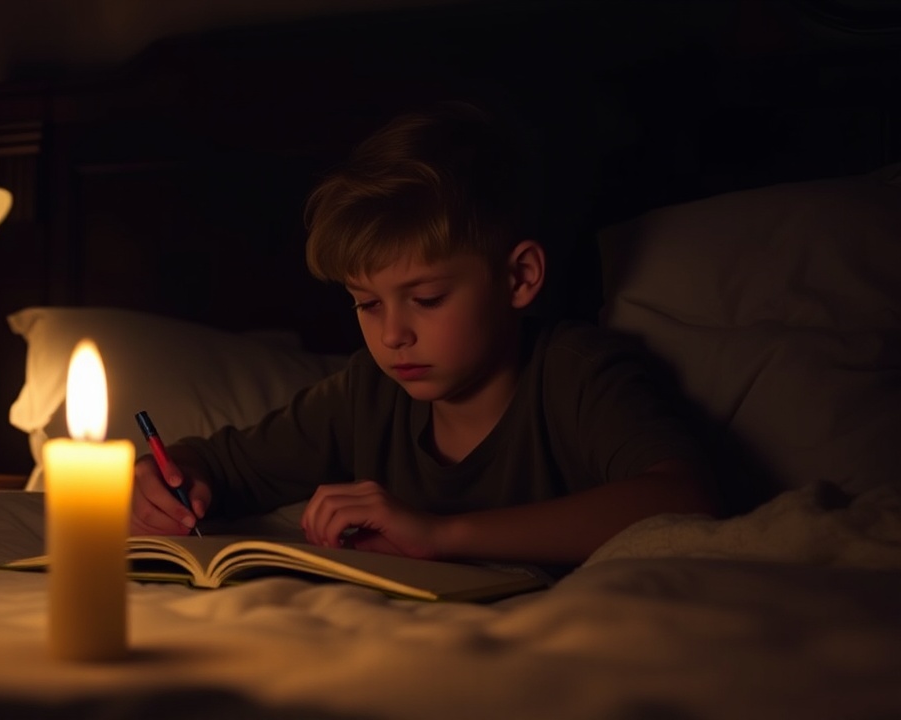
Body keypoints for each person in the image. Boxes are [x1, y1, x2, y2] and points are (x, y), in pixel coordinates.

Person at [130, 100, 718, 568]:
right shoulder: (369, 391)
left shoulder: (576, 373)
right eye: (365, 303)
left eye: (427, 299)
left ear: (519, 277)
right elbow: (218, 462)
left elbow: (682, 500)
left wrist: (441, 534)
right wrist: (171, 474)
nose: (392, 335)